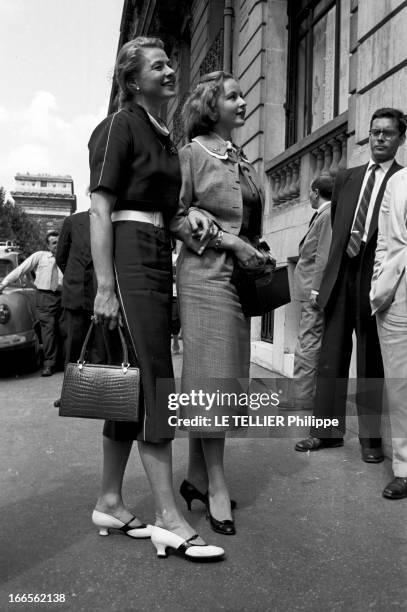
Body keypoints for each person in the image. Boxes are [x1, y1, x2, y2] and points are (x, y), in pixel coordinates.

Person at [88, 37, 224, 561]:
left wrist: (192, 219)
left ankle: (109, 499)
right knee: (155, 379)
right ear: (131, 79)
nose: (171, 71)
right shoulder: (121, 125)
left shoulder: (166, 136)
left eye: (170, 63)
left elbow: (164, 209)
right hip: (125, 253)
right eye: (158, 66)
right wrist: (104, 286)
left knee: (133, 384)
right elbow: (101, 207)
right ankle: (170, 516)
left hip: (152, 252)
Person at [170, 71, 267, 536]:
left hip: (237, 279)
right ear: (212, 106)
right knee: (212, 377)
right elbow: (173, 214)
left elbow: (248, 220)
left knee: (222, 376)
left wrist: (255, 249)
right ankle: (218, 488)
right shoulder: (191, 154)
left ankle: (194, 477)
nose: (243, 101)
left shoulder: (241, 158)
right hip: (204, 276)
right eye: (233, 96)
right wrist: (230, 241)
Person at [295, 108, 405, 462]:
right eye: (375, 132)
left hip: (377, 278)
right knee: (330, 357)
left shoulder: (403, 181)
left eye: (388, 133)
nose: (379, 138)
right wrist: (321, 281)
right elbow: (337, 230)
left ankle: (371, 441)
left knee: (371, 360)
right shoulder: (346, 178)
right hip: (342, 275)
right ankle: (325, 433)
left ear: (401, 139)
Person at [370, 165, 407, 499]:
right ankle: (404, 468)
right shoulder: (397, 181)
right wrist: (378, 281)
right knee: (399, 387)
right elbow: (384, 238)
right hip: (397, 293)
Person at [54, 210, 106, 407]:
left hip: (101, 293)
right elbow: (61, 256)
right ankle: (71, 394)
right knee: (74, 344)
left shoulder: (110, 219)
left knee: (100, 346)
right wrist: (74, 277)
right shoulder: (73, 221)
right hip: (75, 293)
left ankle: (99, 394)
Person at [290, 176, 333, 410]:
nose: (308, 196)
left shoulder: (326, 216)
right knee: (308, 341)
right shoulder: (323, 215)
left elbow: (322, 256)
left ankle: (302, 398)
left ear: (316, 192)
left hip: (312, 292)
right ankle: (304, 395)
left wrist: (316, 289)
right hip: (309, 290)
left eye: (309, 192)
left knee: (307, 343)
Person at [0, 230, 63, 377]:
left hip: (64, 296)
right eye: (54, 243)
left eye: (59, 242)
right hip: (44, 296)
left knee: (65, 329)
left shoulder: (67, 257)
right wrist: (4, 283)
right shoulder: (40, 256)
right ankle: (49, 364)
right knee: (49, 330)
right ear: (48, 246)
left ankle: (64, 362)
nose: (57, 245)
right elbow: (21, 269)